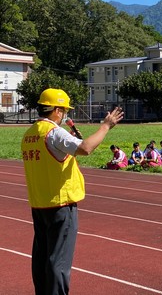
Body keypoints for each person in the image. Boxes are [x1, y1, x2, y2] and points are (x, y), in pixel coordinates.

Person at [21, 88, 123, 295]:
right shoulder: (54, 132)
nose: (65, 114)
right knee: (58, 260)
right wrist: (105, 126)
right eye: (64, 110)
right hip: (61, 204)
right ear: (57, 110)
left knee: (42, 257)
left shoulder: (30, 133)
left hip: (40, 203)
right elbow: (85, 148)